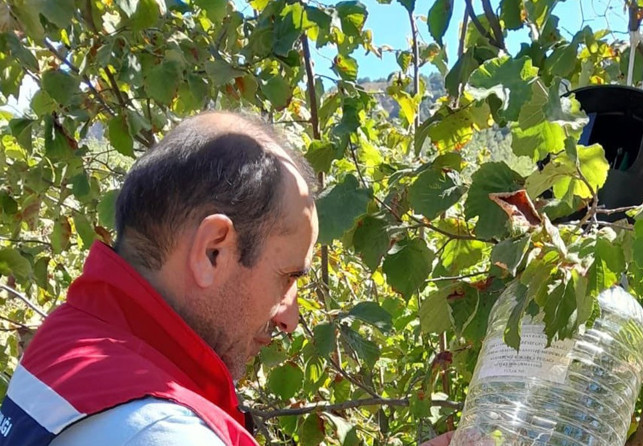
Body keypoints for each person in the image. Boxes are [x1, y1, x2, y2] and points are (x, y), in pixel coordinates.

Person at [0, 112, 453, 446]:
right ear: (213, 250)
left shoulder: (75, 339)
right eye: (287, 277)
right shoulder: (158, 431)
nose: (289, 318)